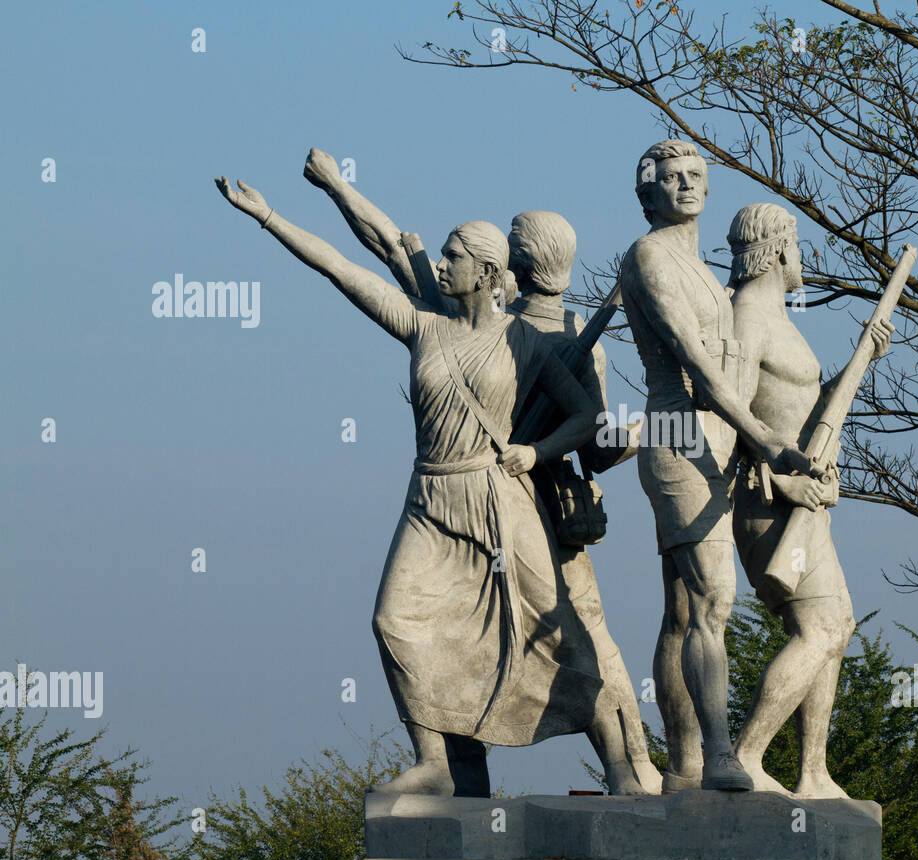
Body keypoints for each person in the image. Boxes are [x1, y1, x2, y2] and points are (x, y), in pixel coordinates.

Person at [214, 174, 642, 795]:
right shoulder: (424, 326)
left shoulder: (526, 342)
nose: (439, 265)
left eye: (452, 256)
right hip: (430, 499)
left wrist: (536, 450)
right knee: (395, 620)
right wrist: (270, 215)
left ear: (489, 271)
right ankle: (435, 765)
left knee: (559, 635)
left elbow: (584, 419)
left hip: (500, 499)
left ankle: (623, 769)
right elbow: (340, 268)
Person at [618, 140, 817, 791]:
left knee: (683, 611)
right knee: (714, 598)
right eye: (670, 177)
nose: (685, 185)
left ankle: (682, 764)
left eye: (695, 175)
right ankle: (718, 753)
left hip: (722, 448)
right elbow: (696, 363)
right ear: (646, 193)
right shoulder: (650, 257)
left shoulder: (702, 268)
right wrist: (764, 438)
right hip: (681, 441)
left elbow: (740, 356)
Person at [726, 203, 893, 798]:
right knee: (818, 627)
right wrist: (778, 477)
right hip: (771, 501)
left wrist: (862, 358)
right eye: (796, 243)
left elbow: (808, 407)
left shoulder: (774, 317)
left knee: (835, 626)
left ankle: (813, 770)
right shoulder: (749, 317)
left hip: (807, 501)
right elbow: (733, 412)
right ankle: (747, 754)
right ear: (775, 250)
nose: (804, 256)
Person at [506, 210, 661, 793]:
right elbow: (597, 452)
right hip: (543, 501)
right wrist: (651, 429)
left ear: (518, 263)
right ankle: (634, 768)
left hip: (507, 501)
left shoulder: (491, 328)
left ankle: (632, 766)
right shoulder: (575, 335)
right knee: (589, 638)